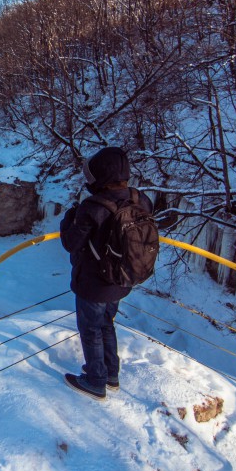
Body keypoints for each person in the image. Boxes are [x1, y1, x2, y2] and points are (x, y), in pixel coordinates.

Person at [59, 146, 153, 400]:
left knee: (90, 329)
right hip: (122, 278)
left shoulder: (92, 207)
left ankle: (95, 380)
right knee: (106, 324)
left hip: (94, 282)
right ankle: (111, 374)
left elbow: (71, 242)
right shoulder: (140, 199)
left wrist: (70, 217)